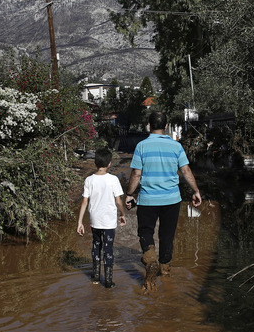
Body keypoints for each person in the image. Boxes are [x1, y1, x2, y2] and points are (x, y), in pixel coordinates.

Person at [125, 111, 202, 291]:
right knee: (167, 236)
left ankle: (151, 259)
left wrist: (129, 194)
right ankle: (165, 272)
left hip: (147, 199)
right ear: (166, 126)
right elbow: (186, 171)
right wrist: (196, 191)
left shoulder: (141, 146)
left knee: (145, 231)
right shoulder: (176, 147)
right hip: (171, 200)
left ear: (149, 126)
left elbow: (136, 174)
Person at [77, 148, 127, 288]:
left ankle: (96, 277)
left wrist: (80, 222)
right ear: (109, 163)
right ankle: (109, 281)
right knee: (108, 248)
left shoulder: (89, 180)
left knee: (96, 246)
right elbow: (118, 201)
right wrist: (123, 214)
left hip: (95, 220)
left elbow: (84, 202)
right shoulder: (113, 180)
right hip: (109, 222)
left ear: (95, 163)